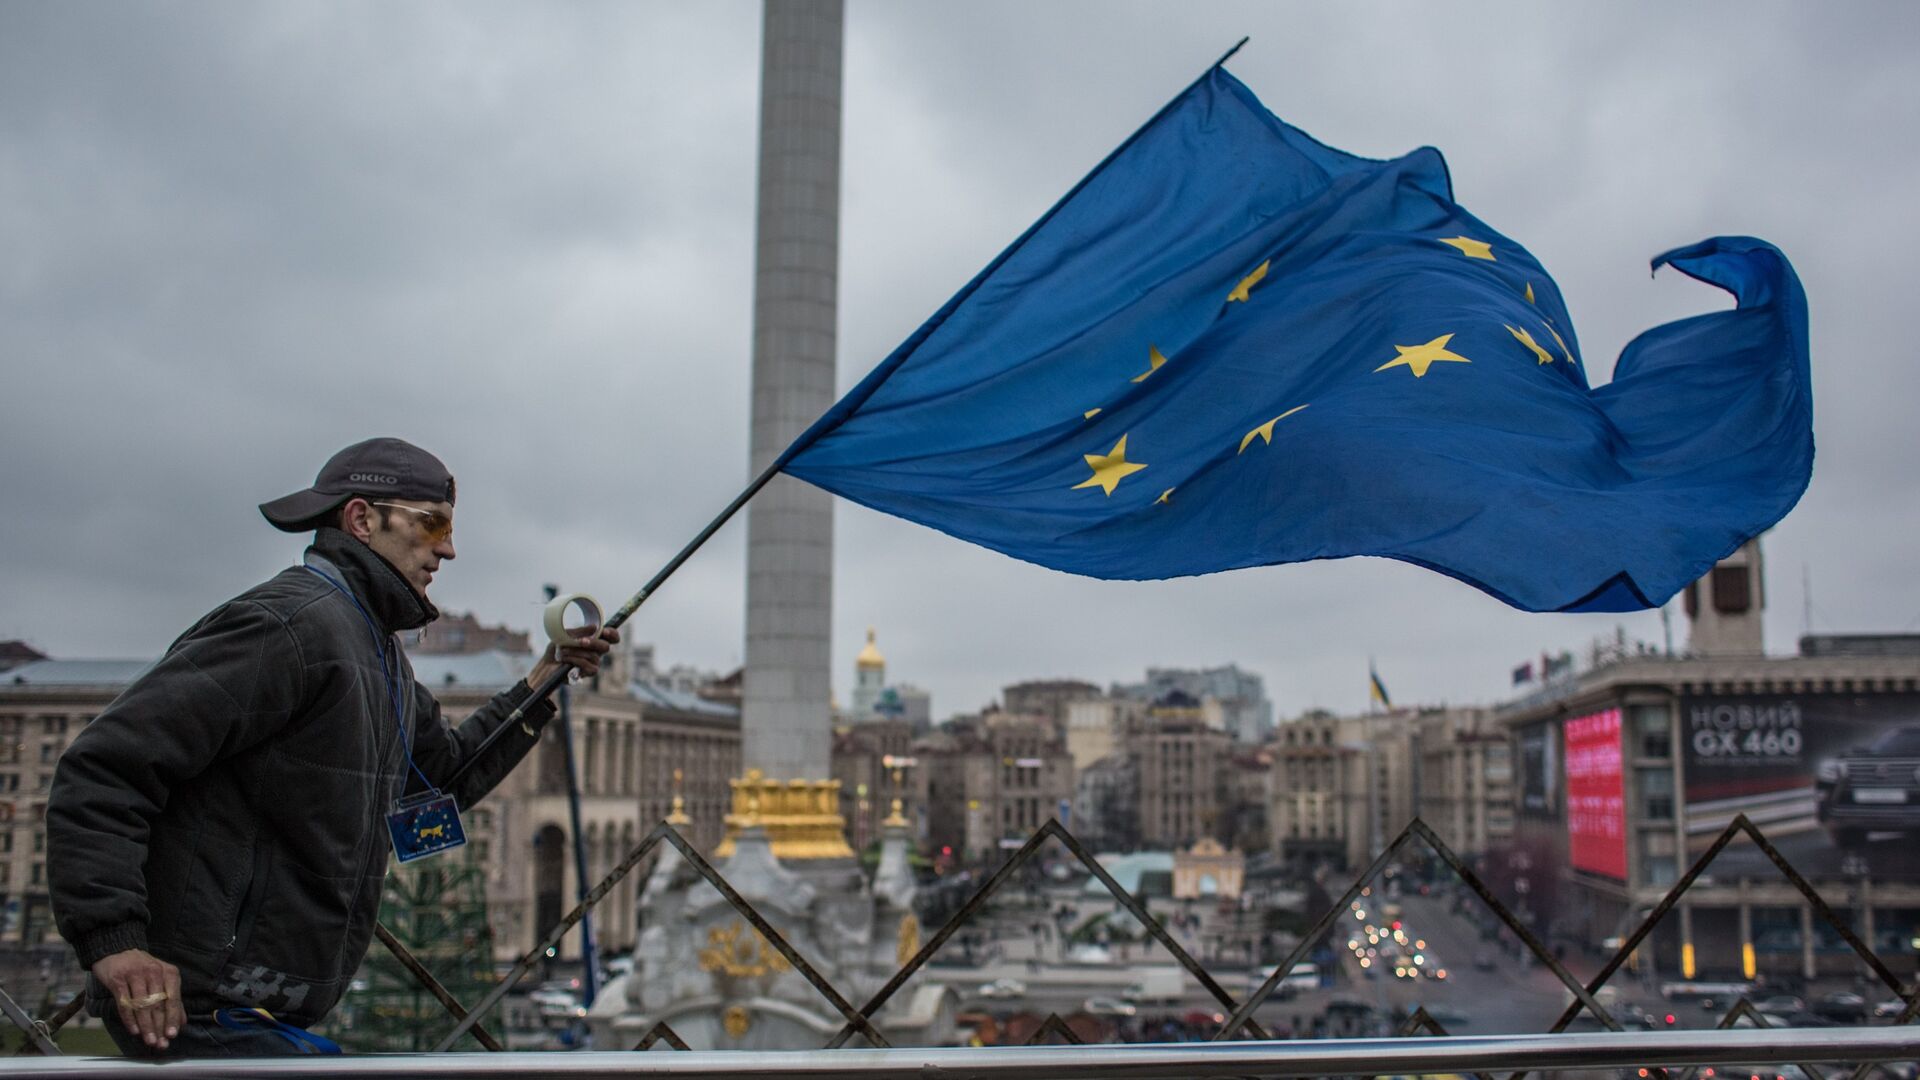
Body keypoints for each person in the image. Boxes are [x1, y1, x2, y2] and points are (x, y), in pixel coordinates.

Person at [46, 437, 616, 1056]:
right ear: (361, 519)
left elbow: (443, 776)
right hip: (199, 1006)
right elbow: (104, 767)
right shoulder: (290, 625)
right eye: (433, 523)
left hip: (263, 1008)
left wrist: (542, 680)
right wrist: (116, 942)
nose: (448, 548)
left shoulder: (377, 650)